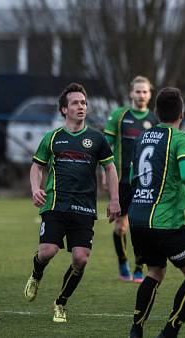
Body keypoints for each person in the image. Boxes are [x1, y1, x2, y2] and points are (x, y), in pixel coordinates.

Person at [23, 83, 121, 323]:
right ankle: (37, 274)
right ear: (64, 110)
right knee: (47, 252)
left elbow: (110, 167)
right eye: (75, 103)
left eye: (84, 103)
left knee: (80, 258)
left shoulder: (96, 138)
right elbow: (37, 166)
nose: (81, 106)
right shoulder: (53, 138)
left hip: (85, 207)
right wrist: (36, 188)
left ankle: (60, 302)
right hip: (56, 204)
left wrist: (115, 199)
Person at [127, 87, 185, 338]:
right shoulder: (181, 139)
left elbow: (133, 178)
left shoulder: (141, 139)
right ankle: (170, 332)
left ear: (155, 112)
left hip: (138, 218)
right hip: (165, 221)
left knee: (155, 272)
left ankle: (136, 329)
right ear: (182, 113)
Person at [103, 76, 159, 282]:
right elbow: (105, 147)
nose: (141, 95)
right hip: (122, 180)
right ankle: (122, 263)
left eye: (145, 91)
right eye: (138, 91)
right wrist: (104, 173)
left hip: (145, 182)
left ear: (150, 94)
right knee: (121, 226)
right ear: (131, 93)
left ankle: (138, 268)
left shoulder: (154, 120)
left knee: (142, 225)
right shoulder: (119, 116)